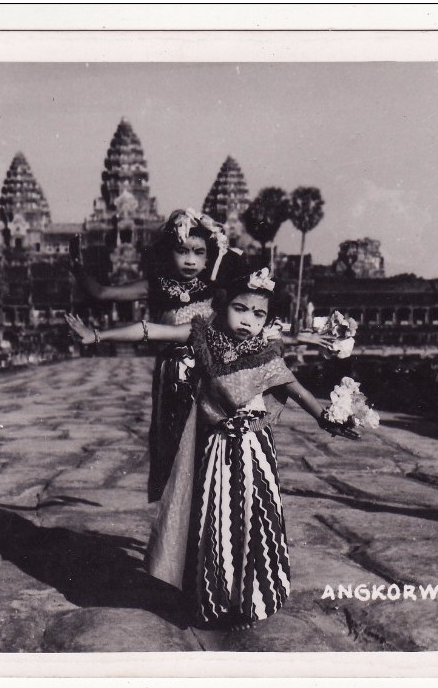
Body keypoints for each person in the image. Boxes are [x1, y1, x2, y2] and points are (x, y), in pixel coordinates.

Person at [65, 267, 355, 629]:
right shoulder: (204, 337)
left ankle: (251, 601)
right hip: (215, 448)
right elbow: (151, 330)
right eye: (240, 308)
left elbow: (302, 394)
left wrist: (334, 419)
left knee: (255, 521)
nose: (248, 319)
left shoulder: (267, 355)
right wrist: (96, 336)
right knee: (214, 523)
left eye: (258, 313)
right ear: (222, 305)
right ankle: (213, 600)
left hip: (254, 451)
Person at [71, 208, 338, 504]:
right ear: (167, 252)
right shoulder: (155, 286)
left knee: (206, 449)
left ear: (209, 257)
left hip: (209, 374)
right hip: (171, 374)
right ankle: (178, 528)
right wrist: (77, 269)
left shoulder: (217, 293)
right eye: (182, 251)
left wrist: (304, 337)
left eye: (199, 253)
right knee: (172, 447)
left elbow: (257, 327)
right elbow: (101, 293)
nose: (190, 260)